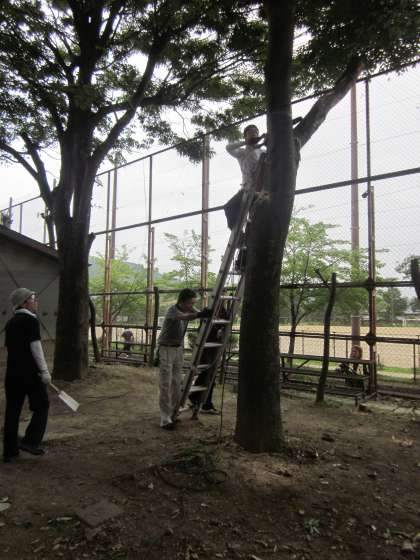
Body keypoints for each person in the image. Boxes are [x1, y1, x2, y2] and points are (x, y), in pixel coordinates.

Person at [3, 288, 51, 463]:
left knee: (12, 412)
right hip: (31, 375)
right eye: (33, 298)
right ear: (24, 303)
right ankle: (30, 441)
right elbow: (36, 348)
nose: (36, 301)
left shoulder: (11, 323)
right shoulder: (30, 320)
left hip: (12, 375)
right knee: (42, 405)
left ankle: (9, 452)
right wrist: (44, 371)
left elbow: (10, 349)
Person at [157, 288, 211, 430]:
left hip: (178, 349)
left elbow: (197, 314)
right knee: (165, 383)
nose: (192, 306)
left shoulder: (189, 308)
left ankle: (174, 413)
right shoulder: (172, 310)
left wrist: (205, 313)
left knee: (177, 382)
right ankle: (165, 418)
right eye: (190, 303)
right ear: (182, 301)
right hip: (166, 348)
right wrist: (199, 314)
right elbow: (184, 317)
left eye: (193, 303)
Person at [188, 305, 229, 415]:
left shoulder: (208, 317)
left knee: (206, 375)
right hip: (207, 352)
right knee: (209, 377)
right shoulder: (209, 319)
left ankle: (195, 398)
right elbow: (221, 324)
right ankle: (205, 404)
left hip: (208, 351)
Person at [224, 124, 266, 230]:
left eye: (256, 132)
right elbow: (228, 148)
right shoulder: (241, 152)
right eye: (250, 133)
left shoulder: (262, 151)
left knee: (255, 217)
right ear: (245, 136)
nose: (254, 134)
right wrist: (245, 142)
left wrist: (266, 141)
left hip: (259, 190)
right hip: (246, 190)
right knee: (229, 207)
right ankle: (239, 234)